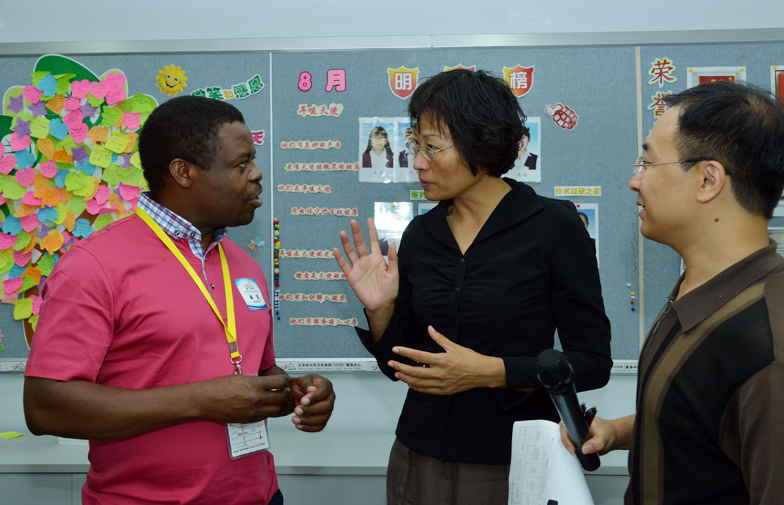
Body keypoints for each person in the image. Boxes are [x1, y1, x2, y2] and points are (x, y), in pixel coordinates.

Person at [23, 95, 336, 505]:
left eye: (253, 161)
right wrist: (200, 401)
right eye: (241, 164)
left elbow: (254, 372)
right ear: (183, 172)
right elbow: (45, 408)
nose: (257, 174)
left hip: (259, 495)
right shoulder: (93, 266)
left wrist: (297, 393)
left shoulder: (244, 265)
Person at [334, 69, 612, 504]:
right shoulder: (421, 235)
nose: (418, 161)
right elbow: (403, 367)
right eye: (415, 145)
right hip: (418, 455)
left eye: (432, 147)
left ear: (481, 145)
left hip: (509, 461)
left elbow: (593, 363)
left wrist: (491, 371)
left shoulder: (554, 226)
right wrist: (380, 310)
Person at [560, 81, 784, 505]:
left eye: (648, 163)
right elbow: (706, 421)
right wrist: (618, 432)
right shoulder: (702, 290)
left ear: (708, 180)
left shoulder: (768, 343)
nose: (634, 181)